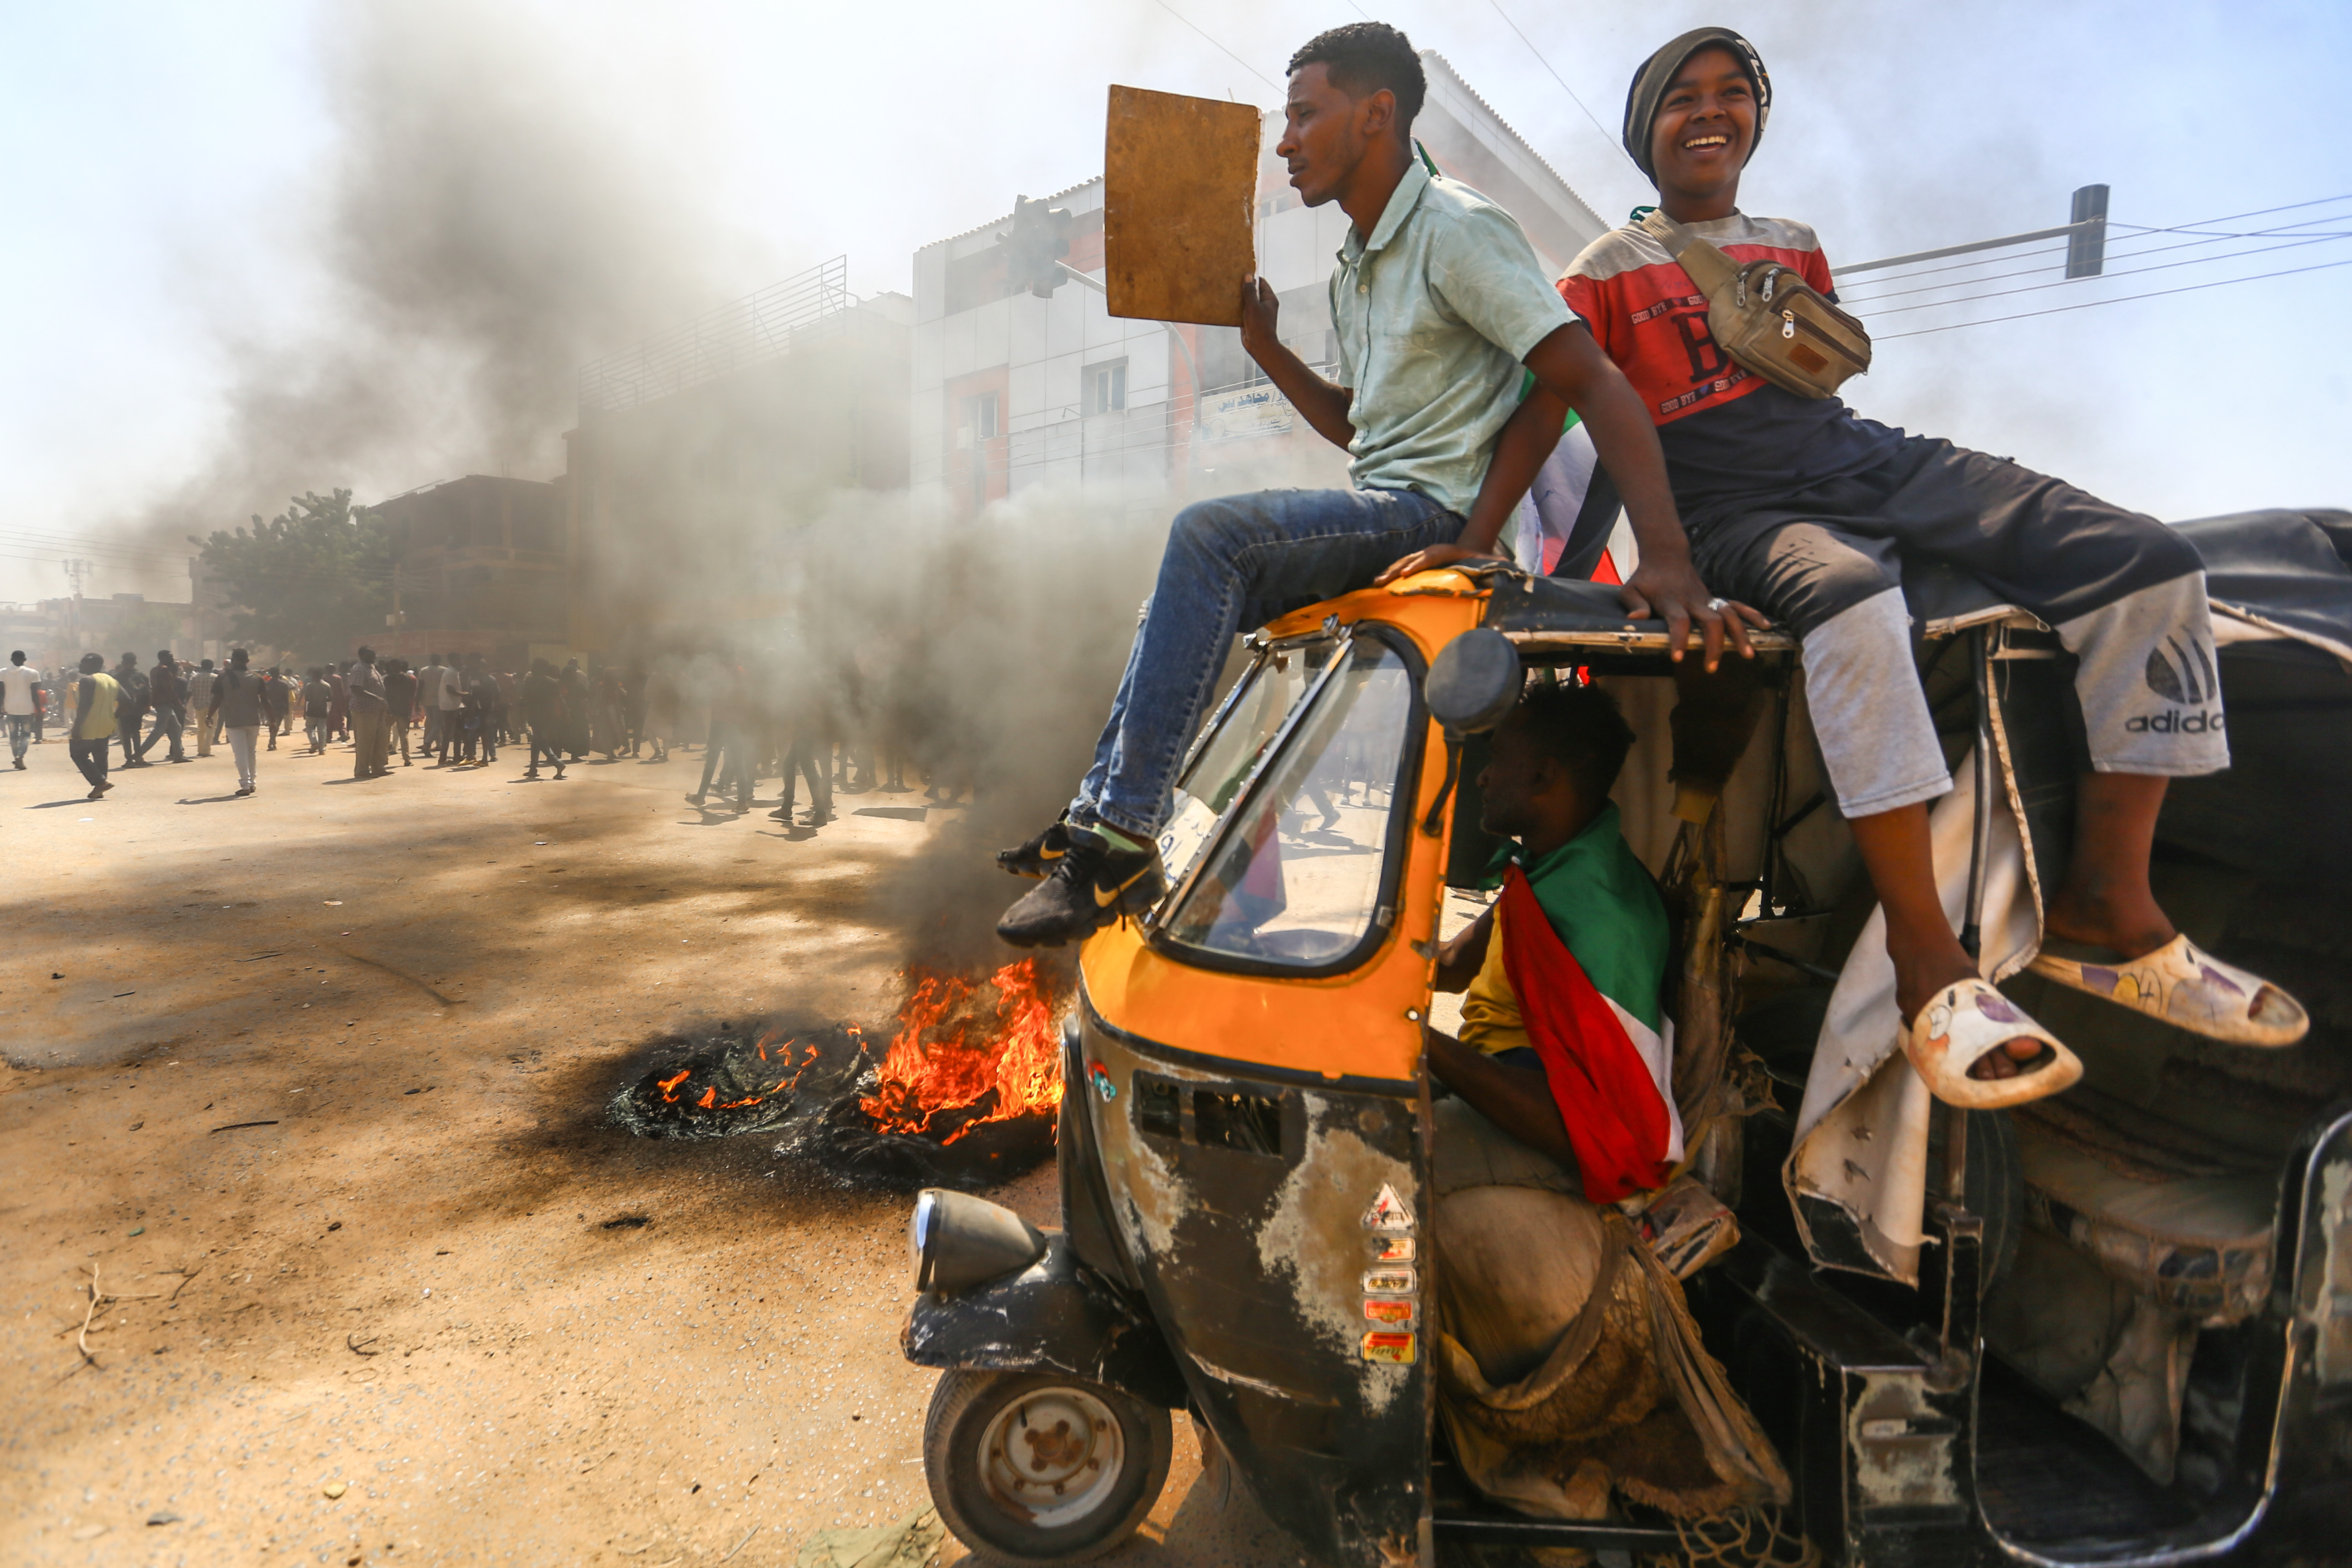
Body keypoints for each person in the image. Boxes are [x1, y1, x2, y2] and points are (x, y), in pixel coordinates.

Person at [1526, 27, 2305, 1105]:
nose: (1709, 112)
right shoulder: (1603, 270)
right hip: (1731, 505)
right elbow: (1576, 411)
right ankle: (1924, 963)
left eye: (1731, 94)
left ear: (1754, 116)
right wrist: (1648, 557)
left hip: (1866, 458)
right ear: (1643, 130)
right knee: (1852, 605)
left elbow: (1812, 384)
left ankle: (2107, 909)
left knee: (2147, 563)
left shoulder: (1793, 242)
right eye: (1680, 99)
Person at [994, 22, 1720, 948]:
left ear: (1377, 114)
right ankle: (1102, 812)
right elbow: (1357, 426)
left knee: (1207, 535)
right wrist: (1266, 349)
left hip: (1430, 516)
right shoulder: (1355, 270)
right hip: (1388, 504)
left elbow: (1593, 381)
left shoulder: (1460, 230)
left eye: (1303, 116)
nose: (1285, 142)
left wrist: (1661, 555)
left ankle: (1120, 837)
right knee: (1175, 591)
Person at [209, 648, 265, 796]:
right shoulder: (257, 678)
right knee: (251, 752)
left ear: (232, 661)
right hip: (254, 720)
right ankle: (252, 783)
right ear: (248, 661)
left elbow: (216, 700)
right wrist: (272, 721)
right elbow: (265, 701)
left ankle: (245, 784)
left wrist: (209, 716)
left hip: (234, 721)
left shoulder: (223, 678)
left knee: (240, 754)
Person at [69, 653, 122, 799]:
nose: (80, 665)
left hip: (88, 725)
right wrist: (113, 717)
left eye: (83, 662)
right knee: (100, 756)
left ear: (92, 664)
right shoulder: (112, 681)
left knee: (78, 754)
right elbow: (128, 701)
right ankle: (100, 789)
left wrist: (77, 727)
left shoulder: (87, 680)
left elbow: (84, 706)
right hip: (106, 725)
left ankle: (101, 782)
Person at [137, 650, 189, 763]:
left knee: (176, 729)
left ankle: (178, 755)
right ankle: (138, 755)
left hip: (161, 703)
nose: (173, 658)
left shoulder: (155, 670)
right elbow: (169, 689)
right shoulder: (164, 670)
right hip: (165, 703)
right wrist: (179, 705)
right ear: (163, 658)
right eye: (170, 656)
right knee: (159, 730)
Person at [520, 658, 567, 779]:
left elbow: (525, 698)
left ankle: (557, 763)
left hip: (536, 714)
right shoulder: (553, 682)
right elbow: (560, 699)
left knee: (540, 741)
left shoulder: (530, 682)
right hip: (550, 715)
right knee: (536, 742)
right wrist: (565, 713)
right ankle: (533, 769)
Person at [348, 646, 389, 778]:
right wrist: (377, 698)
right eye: (371, 655)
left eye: (375, 655)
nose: (374, 657)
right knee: (365, 742)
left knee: (380, 741)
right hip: (364, 710)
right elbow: (356, 689)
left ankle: (378, 768)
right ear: (362, 655)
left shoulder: (372, 668)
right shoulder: (359, 669)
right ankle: (362, 770)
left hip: (377, 710)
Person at [1, 650, 41, 769]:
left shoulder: (2, 673)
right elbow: (35, 693)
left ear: (11, 659)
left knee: (13, 736)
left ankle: (17, 757)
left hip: (10, 708)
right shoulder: (33, 673)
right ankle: (20, 756)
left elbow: (1, 692)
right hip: (27, 709)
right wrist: (38, 708)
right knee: (26, 735)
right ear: (25, 660)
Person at [111, 652, 150, 767]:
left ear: (123, 663)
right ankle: (139, 757)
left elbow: (113, 693)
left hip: (123, 709)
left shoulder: (117, 677)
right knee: (136, 733)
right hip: (138, 709)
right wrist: (147, 705)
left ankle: (129, 759)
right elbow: (148, 691)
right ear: (136, 663)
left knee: (125, 735)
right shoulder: (142, 676)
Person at [383, 657, 418, 767]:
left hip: (390, 709)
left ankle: (385, 758)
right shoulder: (409, 679)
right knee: (404, 735)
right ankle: (407, 759)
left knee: (386, 735)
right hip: (404, 709)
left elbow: (385, 694)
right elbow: (412, 695)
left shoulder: (386, 679)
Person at [187, 658, 218, 758]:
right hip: (212, 707)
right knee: (211, 728)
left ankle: (200, 750)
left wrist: (185, 703)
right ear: (212, 667)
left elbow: (189, 692)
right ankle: (207, 750)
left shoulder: (195, 677)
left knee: (201, 728)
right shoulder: (216, 678)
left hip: (198, 706)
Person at [302, 666, 332, 753]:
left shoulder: (310, 686)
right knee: (322, 729)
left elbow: (307, 700)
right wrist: (328, 710)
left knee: (310, 728)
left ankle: (314, 742)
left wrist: (306, 711)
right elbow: (330, 699)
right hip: (323, 710)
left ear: (313, 676)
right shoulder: (327, 686)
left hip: (311, 710)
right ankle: (322, 749)